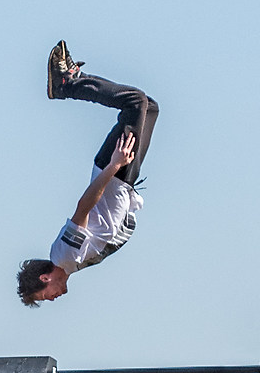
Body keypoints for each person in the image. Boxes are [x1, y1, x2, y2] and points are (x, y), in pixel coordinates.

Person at [17, 44, 159, 306]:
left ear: (45, 278)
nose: (53, 298)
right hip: (122, 180)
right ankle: (70, 80)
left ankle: (68, 84)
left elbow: (83, 207)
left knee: (135, 102)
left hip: (115, 172)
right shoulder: (72, 263)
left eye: (45, 296)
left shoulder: (63, 257)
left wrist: (115, 165)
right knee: (149, 108)